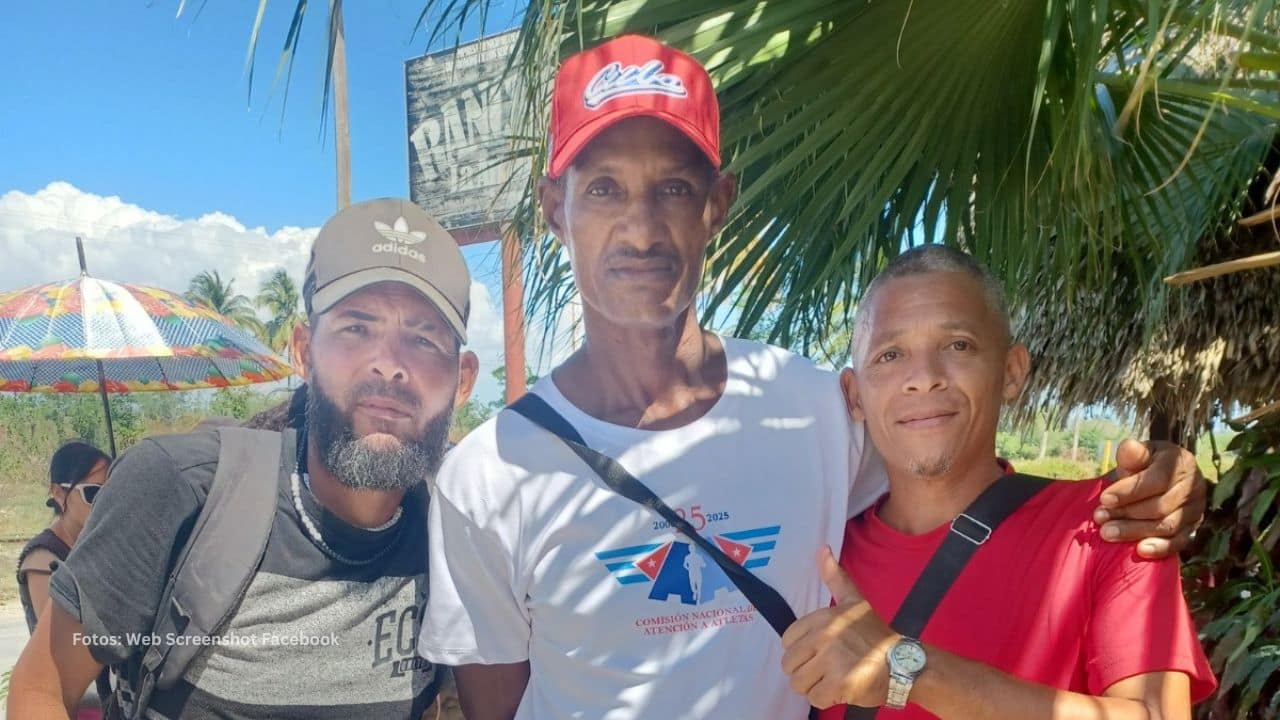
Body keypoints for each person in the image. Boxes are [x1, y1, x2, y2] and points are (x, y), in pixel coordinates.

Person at [419, 34, 1207, 720]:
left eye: (674, 188)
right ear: (554, 209)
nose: (642, 228)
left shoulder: (813, 410)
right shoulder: (487, 475)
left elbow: (947, 470)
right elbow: (498, 707)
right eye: (603, 189)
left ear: (717, 204)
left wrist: (1166, 488)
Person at [9, 198, 479, 720]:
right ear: (304, 351)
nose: (389, 365)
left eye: (424, 339)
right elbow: (40, 690)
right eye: (357, 328)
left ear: (462, 382)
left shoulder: (460, 529)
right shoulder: (178, 488)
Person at [780, 245, 1216, 719]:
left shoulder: (1108, 524)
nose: (923, 378)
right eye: (890, 355)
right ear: (854, 395)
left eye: (958, 345)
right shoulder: (817, 551)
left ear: (1011, 372)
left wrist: (910, 670)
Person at [16, 441, 112, 720]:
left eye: (111, 493)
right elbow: (65, 643)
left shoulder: (98, 546)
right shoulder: (42, 558)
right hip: (72, 700)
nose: (104, 503)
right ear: (59, 493)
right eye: (93, 493)